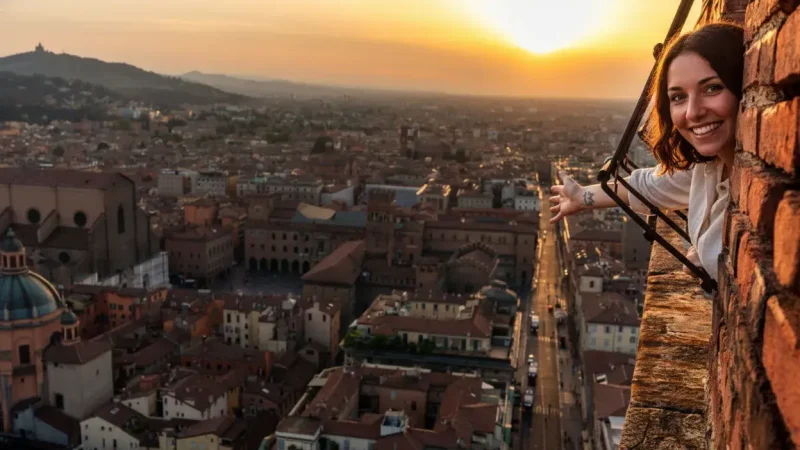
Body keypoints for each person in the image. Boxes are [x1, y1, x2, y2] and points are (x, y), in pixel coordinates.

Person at [549, 22, 744, 283]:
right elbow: (648, 187)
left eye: (712, 88)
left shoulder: (769, 199)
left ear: (743, 87)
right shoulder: (709, 170)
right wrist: (580, 197)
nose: (692, 112)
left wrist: (706, 259)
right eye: (678, 97)